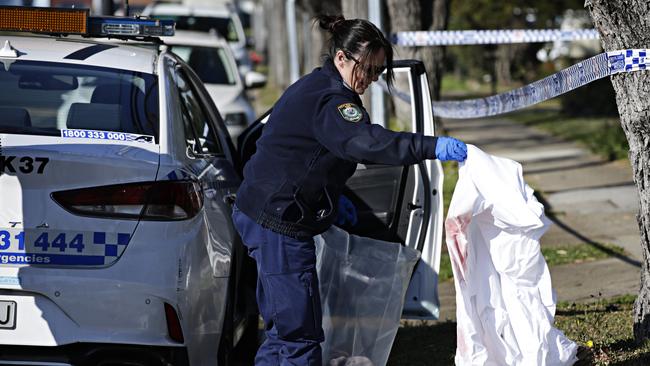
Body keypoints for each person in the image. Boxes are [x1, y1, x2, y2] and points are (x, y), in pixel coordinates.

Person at [231, 14, 467, 366]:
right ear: (341, 58)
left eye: (378, 73)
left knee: (283, 330)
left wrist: (330, 196)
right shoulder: (331, 99)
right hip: (278, 223)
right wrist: (431, 147)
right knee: (299, 335)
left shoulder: (320, 86)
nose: (371, 79)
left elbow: (312, 151)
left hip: (269, 213)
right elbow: (366, 143)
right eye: (368, 69)